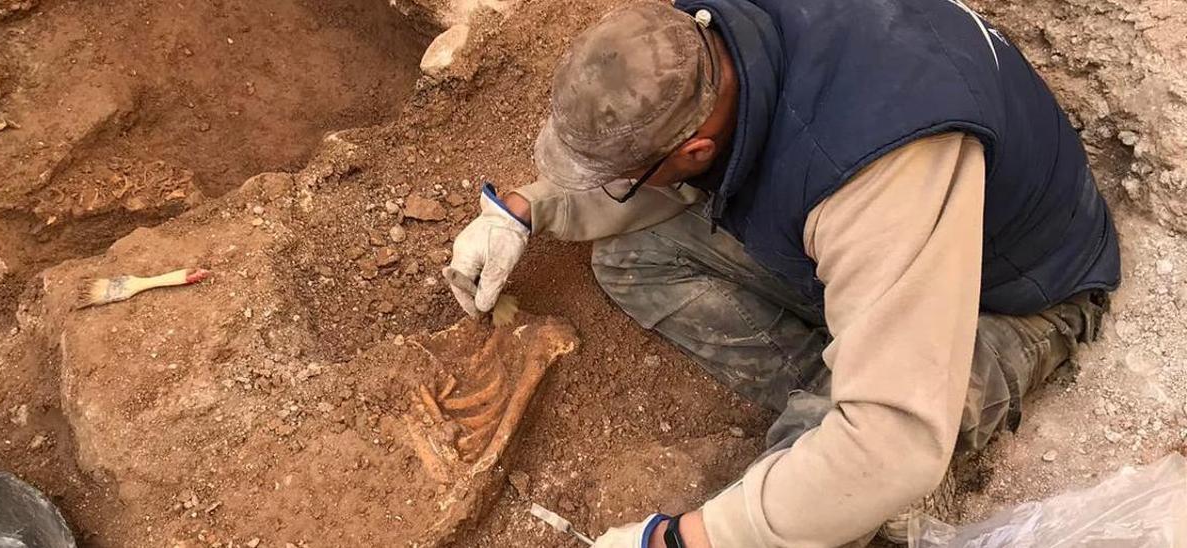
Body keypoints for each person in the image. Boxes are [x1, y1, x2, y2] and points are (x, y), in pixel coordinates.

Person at [443, 0, 1121, 545]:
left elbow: (893, 443)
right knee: (635, 253)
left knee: (851, 465)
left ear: (698, 148)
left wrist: (686, 539)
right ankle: (839, 398)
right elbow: (654, 170)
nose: (616, 187)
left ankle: (838, 420)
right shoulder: (714, 36)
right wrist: (527, 210)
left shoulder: (876, 171)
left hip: (1015, 298)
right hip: (889, 228)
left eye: (622, 178)